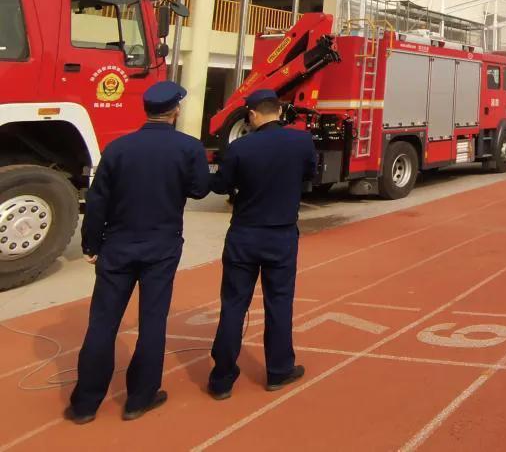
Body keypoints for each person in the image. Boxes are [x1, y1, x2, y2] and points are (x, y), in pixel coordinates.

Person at [66, 81, 210, 424]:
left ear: (146, 110)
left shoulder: (117, 148)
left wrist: (91, 244)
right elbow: (202, 190)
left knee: (102, 323)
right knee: (152, 321)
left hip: (117, 245)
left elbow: (97, 201)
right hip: (161, 245)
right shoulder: (189, 148)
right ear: (175, 111)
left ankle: (86, 404)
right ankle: (139, 399)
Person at [208, 89, 318, 399]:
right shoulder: (301, 142)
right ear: (279, 112)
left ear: (253, 114)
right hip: (281, 235)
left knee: (233, 305)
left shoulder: (240, 147)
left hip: (244, 234)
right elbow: (310, 174)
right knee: (279, 303)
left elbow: (221, 186)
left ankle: (222, 379)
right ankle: (280, 370)